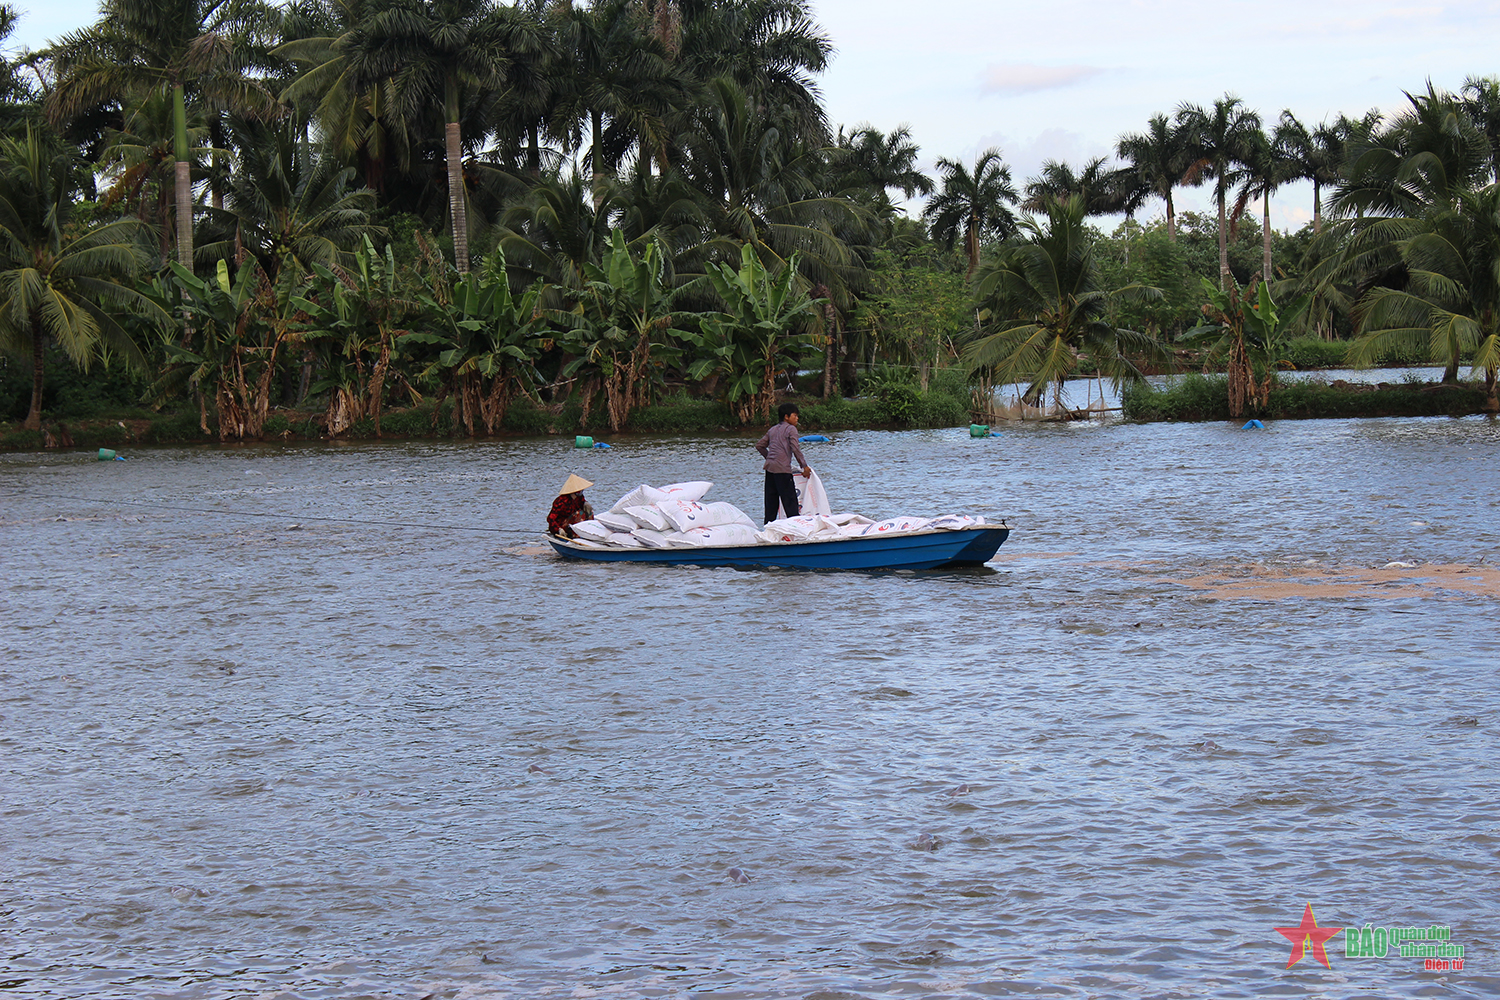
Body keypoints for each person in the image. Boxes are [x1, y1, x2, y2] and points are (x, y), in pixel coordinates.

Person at [755, 402, 812, 524]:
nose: (797, 418)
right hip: (782, 471)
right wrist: (804, 466)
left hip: (770, 469)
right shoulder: (791, 429)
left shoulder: (772, 429)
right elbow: (795, 449)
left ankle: (768, 533)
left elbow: (759, 446)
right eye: (795, 416)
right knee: (790, 505)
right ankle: (796, 533)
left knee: (771, 506)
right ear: (787, 417)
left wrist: (770, 458)